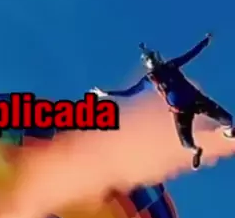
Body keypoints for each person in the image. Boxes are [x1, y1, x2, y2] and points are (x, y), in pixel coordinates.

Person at [93, 33, 234, 170]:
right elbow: (130, 92)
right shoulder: (150, 80)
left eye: (153, 58)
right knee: (186, 143)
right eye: (150, 60)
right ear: (147, 64)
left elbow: (190, 55)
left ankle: (228, 133)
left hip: (197, 100)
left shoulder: (171, 66)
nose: (153, 62)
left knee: (227, 119)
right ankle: (196, 150)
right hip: (180, 111)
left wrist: (205, 41)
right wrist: (107, 93)